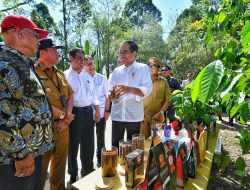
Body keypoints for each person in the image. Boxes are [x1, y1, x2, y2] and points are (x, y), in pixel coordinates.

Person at [0, 15, 54, 190]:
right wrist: (20, 155)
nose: (40, 40)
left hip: (30, 154)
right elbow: (3, 117)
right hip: (16, 162)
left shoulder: (20, 62)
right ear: (20, 33)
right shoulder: (5, 64)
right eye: (36, 35)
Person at [35, 38, 74, 190]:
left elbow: (70, 95)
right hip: (44, 128)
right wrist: (65, 116)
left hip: (63, 126)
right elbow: (39, 103)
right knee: (40, 169)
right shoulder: (32, 71)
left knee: (59, 166)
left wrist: (67, 117)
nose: (58, 53)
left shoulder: (60, 73)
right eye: (54, 50)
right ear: (43, 52)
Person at [64, 49, 100, 185]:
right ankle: (73, 174)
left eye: (83, 58)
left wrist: (96, 111)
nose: (82, 61)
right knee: (73, 144)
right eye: (79, 58)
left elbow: (94, 95)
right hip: (75, 113)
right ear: (71, 58)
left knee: (89, 143)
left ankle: (87, 169)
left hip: (88, 112)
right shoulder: (65, 76)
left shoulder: (87, 76)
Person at [108, 40, 152, 149]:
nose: (122, 55)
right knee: (116, 147)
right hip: (117, 115)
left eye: (125, 52)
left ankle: (132, 166)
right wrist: (112, 95)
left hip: (134, 116)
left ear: (134, 54)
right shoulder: (116, 71)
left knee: (133, 149)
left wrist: (129, 89)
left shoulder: (143, 69)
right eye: (120, 52)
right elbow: (108, 90)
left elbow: (147, 89)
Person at [85, 56, 110, 168]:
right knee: (88, 139)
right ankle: (88, 163)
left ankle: (100, 159)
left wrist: (106, 111)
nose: (91, 66)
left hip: (101, 111)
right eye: (88, 64)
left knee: (100, 137)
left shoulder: (102, 78)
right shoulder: (82, 78)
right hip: (88, 113)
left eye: (92, 63)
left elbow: (107, 96)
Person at [140, 57, 172, 138]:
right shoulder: (142, 80)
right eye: (149, 65)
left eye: (153, 66)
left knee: (157, 141)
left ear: (158, 69)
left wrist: (160, 112)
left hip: (157, 117)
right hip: (143, 117)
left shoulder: (163, 82)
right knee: (143, 141)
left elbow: (168, 100)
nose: (150, 68)